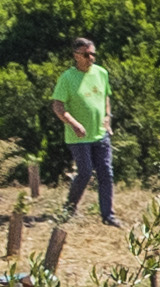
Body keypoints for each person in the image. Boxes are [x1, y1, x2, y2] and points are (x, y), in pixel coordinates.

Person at [51, 37, 122, 227]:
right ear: (76, 56)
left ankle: (108, 215)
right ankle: (69, 208)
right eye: (86, 54)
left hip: (100, 133)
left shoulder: (101, 73)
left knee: (106, 173)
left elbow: (106, 97)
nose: (90, 58)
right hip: (78, 137)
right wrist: (73, 123)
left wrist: (108, 117)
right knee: (84, 173)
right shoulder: (67, 78)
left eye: (93, 54)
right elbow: (58, 106)